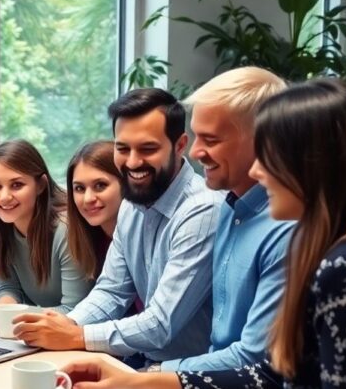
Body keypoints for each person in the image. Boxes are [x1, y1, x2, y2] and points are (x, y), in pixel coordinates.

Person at [59, 78, 346, 389]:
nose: (258, 171)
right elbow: (270, 376)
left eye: (271, 156)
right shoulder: (315, 244)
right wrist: (136, 381)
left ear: (312, 165)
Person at [14, 88, 223, 367]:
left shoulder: (202, 209)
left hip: (188, 377)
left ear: (180, 145)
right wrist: (64, 324)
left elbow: (160, 325)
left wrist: (77, 335)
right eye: (122, 148)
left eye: (148, 149)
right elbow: (112, 291)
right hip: (146, 366)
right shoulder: (132, 204)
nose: (133, 162)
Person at [160, 67, 292, 371]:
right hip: (214, 388)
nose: (194, 152)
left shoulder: (284, 229)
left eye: (211, 139)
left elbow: (253, 361)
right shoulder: (228, 208)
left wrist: (153, 375)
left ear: (263, 141)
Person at [0, 140, 92, 335]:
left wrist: (11, 318)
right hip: (39, 335)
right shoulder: (0, 228)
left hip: (73, 336)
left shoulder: (66, 229)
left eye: (17, 185)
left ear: (41, 185)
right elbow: (7, 286)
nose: (4, 197)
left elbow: (75, 311)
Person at [65, 140, 122, 281]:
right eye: (79, 188)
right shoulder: (84, 240)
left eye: (100, 185)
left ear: (126, 183)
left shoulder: (145, 237)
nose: (88, 198)